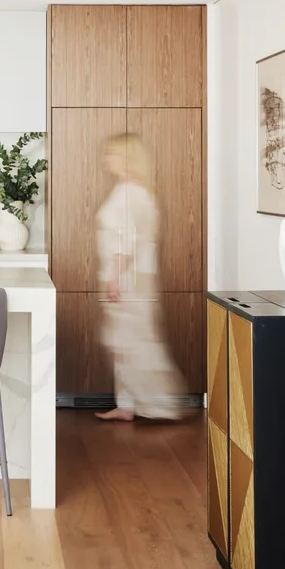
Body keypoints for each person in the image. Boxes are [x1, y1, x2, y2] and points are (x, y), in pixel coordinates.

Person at [94, 133, 187, 422]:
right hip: (134, 275)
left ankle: (162, 404)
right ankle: (127, 404)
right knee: (124, 341)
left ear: (125, 157)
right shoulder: (135, 190)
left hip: (126, 276)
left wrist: (114, 277)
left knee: (132, 340)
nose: (106, 158)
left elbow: (128, 240)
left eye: (112, 153)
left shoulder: (129, 193)